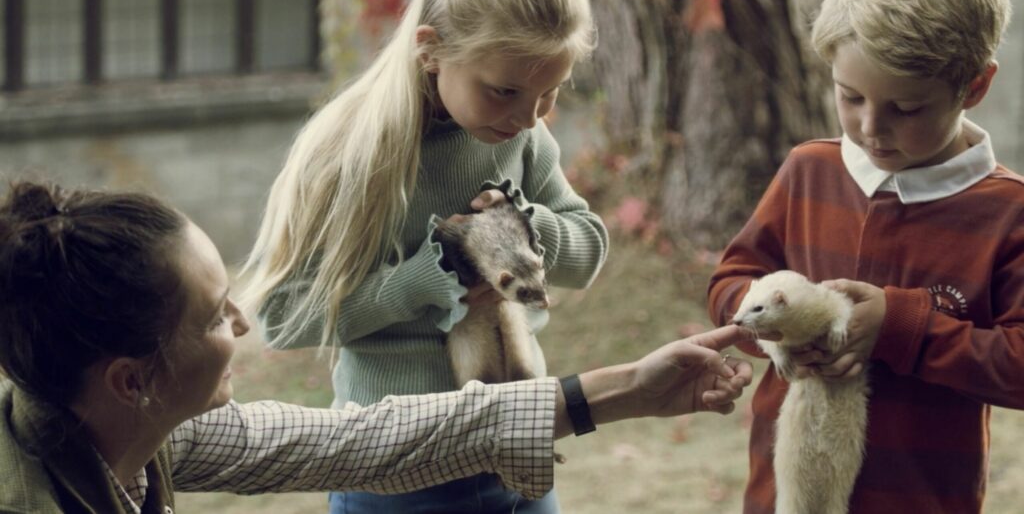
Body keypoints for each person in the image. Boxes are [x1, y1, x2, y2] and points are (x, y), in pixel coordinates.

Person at [0, 181, 753, 514]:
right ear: (133, 379)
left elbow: (363, 439)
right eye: (211, 317)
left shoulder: (133, 427)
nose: (241, 322)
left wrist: (632, 390)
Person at [243, 0, 608, 511]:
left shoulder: (518, 132)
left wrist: (517, 227)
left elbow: (588, 252)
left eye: (550, 93)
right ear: (431, 50)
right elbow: (282, 319)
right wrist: (421, 281)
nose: (529, 118)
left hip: (516, 444)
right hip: (396, 469)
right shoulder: (346, 152)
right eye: (505, 91)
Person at [706, 0, 1021, 512]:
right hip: (785, 494)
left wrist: (905, 328)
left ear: (975, 85)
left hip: (920, 499)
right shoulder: (809, 171)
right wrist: (777, 334)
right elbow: (730, 283)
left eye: (907, 107)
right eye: (850, 97)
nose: (871, 128)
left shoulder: (1009, 213)